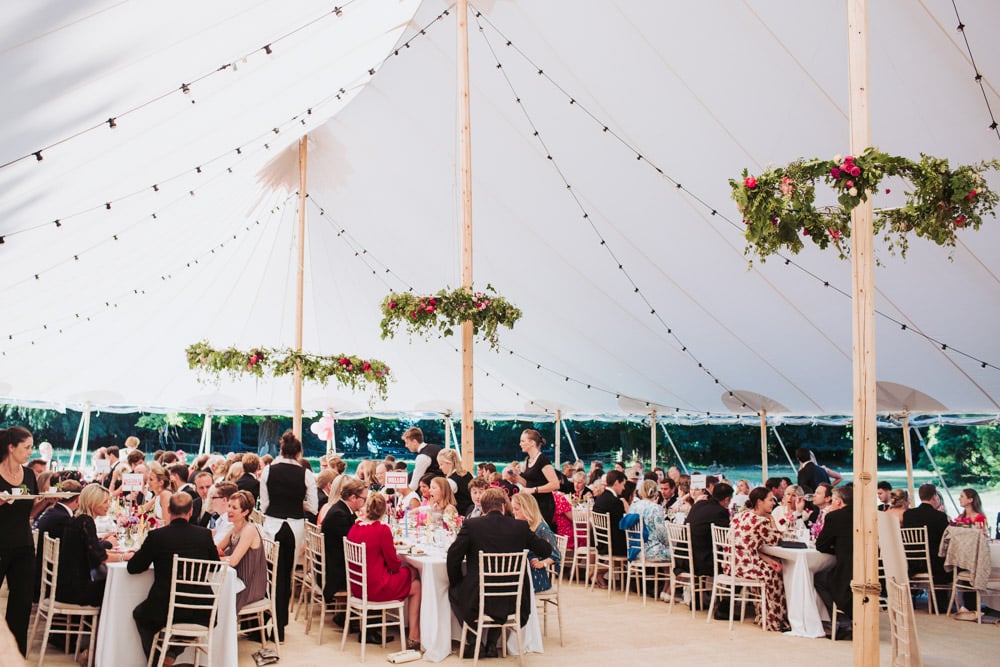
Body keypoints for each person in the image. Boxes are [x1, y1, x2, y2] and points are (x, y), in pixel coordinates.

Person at [446, 488, 552, 658]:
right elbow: (546, 550)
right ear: (503, 506)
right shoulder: (520, 527)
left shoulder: (472, 526)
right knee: (498, 596)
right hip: (513, 598)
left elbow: (453, 556)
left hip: (477, 597)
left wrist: (458, 581)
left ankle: (475, 641)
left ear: (482, 508)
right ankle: (491, 644)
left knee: (454, 591)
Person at [128, 493, 220, 666]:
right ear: (191, 511)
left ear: (168, 510)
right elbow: (215, 566)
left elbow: (133, 567)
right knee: (200, 622)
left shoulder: (157, 536)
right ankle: (172, 653)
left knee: (140, 615)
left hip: (164, 606)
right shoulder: (204, 535)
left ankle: (157, 661)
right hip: (201, 607)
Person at [259, 430, 317, 641]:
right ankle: (281, 624)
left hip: (273, 525)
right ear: (299, 453)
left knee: (273, 574)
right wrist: (298, 503)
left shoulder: (268, 471)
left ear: (281, 450)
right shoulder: (306, 474)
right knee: (287, 576)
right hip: (295, 526)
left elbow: (264, 505)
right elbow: (313, 506)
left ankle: (272, 621)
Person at [347, 493, 422, 651]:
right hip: (375, 588)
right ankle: (414, 635)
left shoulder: (355, 527)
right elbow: (393, 564)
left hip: (357, 587)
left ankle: (410, 632)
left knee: (410, 574)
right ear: (384, 512)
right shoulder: (382, 530)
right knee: (416, 583)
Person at [0, 426, 40, 656]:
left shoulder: (29, 475)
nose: (30, 452)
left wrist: (47, 502)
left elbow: (29, 511)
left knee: (21, 606)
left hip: (24, 546)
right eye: (26, 447)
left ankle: (16, 656)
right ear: (11, 447)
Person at [58, 485, 130, 611]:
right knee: (119, 587)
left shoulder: (78, 519)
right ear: (93, 502)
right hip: (76, 590)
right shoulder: (86, 521)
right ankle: (112, 623)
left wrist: (120, 552)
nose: (108, 505)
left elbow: (93, 550)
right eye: (105, 502)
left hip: (66, 585)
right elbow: (100, 557)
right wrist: (125, 556)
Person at [729, 487, 789, 632]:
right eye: (770, 500)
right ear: (759, 502)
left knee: (770, 567)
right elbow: (776, 540)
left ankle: (763, 615)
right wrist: (772, 519)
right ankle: (774, 619)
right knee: (774, 574)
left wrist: (768, 560)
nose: (773, 503)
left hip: (733, 563)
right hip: (746, 565)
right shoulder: (760, 521)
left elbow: (746, 546)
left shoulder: (741, 515)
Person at [902, 483, 950, 611]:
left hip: (912, 562)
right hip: (934, 562)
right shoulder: (939, 516)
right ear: (934, 497)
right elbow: (946, 540)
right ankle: (940, 605)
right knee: (951, 564)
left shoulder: (908, 515)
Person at [321, 478, 368, 603]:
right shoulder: (339, 514)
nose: (365, 502)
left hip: (335, 564)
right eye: (364, 499)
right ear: (353, 498)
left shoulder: (341, 509)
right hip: (337, 573)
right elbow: (352, 543)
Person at [33, 479, 83, 600]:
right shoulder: (63, 519)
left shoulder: (53, 512)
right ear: (78, 499)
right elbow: (78, 547)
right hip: (55, 582)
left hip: (41, 574)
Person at [815, 484, 854, 635]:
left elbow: (821, 545)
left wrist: (835, 549)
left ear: (838, 501)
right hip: (868, 570)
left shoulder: (835, 517)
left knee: (818, 578)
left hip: (845, 573)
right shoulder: (864, 515)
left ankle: (841, 618)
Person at [219, 490, 267, 612]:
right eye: (229, 506)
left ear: (245, 512)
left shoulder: (249, 530)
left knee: (216, 594)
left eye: (234, 508)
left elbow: (233, 561)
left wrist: (213, 558)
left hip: (249, 585)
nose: (229, 510)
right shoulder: (234, 529)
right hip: (236, 580)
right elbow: (217, 548)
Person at [511, 492, 561, 593]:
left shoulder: (542, 529)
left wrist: (542, 563)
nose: (513, 512)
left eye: (516, 509)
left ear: (527, 509)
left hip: (536, 576)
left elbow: (556, 555)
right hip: (524, 572)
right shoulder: (521, 526)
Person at [511, 429, 560, 531]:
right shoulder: (528, 460)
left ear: (532, 443)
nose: (520, 444)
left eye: (523, 441)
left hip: (543, 505)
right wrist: (516, 477)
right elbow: (528, 484)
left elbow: (555, 484)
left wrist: (533, 490)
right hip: (532, 504)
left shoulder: (542, 460)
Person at [684, 482, 733, 584]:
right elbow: (726, 538)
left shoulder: (698, 504)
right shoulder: (720, 511)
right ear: (727, 499)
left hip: (686, 557)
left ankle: (711, 590)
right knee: (735, 561)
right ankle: (726, 593)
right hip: (702, 561)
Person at [591, 470, 627, 589]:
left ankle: (598, 572)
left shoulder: (600, 499)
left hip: (600, 542)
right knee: (636, 548)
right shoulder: (615, 502)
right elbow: (621, 525)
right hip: (612, 544)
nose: (624, 488)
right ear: (616, 483)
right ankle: (633, 582)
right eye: (623, 484)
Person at [625, 479, 671, 561]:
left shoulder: (633, 506)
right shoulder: (656, 508)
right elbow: (662, 534)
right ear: (656, 492)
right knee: (678, 552)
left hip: (634, 551)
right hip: (651, 552)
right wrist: (669, 542)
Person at [402, 427, 443, 493]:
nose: (406, 446)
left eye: (407, 442)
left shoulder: (422, 457)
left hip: (432, 491)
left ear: (414, 442)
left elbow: (414, 485)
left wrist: (401, 494)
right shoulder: (435, 447)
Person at [437, 449, 474, 516]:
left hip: (460, 515)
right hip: (471, 512)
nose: (440, 467)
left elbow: (442, 501)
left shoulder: (451, 481)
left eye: (441, 464)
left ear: (449, 463)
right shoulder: (468, 474)